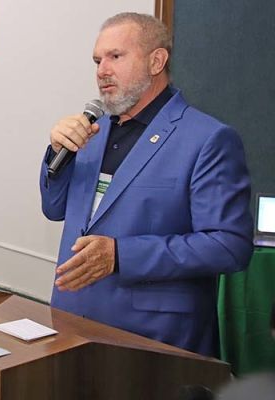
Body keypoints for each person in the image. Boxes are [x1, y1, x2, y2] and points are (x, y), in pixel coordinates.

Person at [39, 12, 253, 357]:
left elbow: (230, 246)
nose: (102, 70)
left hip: (153, 339)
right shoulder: (91, 131)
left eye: (115, 56)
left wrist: (121, 255)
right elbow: (54, 209)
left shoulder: (208, 139)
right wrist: (57, 153)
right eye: (97, 60)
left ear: (157, 61)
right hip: (71, 321)